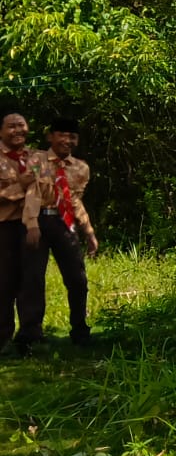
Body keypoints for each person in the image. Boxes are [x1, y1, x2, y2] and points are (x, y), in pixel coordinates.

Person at [23, 119, 99, 346]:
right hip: (39, 220)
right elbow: (32, 192)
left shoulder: (81, 168)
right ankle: (31, 333)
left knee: (77, 277)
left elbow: (74, 201)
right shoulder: (36, 160)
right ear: (51, 137)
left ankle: (80, 330)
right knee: (33, 278)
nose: (67, 140)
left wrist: (89, 232)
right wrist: (32, 225)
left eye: (72, 136)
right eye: (62, 135)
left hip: (64, 223)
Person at [0, 111, 46, 357]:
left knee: (32, 281)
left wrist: (32, 222)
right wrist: (21, 185)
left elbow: (41, 191)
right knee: (4, 283)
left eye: (21, 125)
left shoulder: (37, 157)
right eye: (11, 126)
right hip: (3, 228)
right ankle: (3, 338)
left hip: (30, 227)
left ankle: (30, 336)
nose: (17, 130)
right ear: (0, 131)